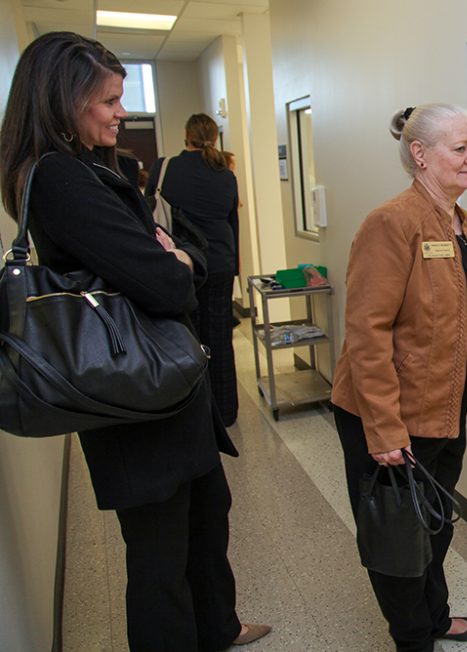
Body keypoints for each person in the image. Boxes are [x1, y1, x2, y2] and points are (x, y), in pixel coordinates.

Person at [0, 32, 269, 650]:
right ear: (63, 100)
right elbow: (165, 282)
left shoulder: (93, 168)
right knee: (158, 560)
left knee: (206, 519)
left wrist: (178, 259)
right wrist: (175, 262)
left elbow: (179, 256)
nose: (122, 112)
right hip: (134, 398)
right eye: (109, 100)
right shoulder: (60, 179)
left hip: (166, 388)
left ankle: (219, 629)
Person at [330, 103, 467, 652]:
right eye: (461, 148)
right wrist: (383, 429)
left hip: (444, 409)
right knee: (398, 539)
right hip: (390, 418)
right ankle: (414, 639)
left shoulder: (463, 223)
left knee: (436, 523)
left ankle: (434, 618)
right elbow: (366, 332)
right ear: (420, 154)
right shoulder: (392, 222)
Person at [146, 114, 241, 426]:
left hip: (182, 264)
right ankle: (226, 413)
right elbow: (231, 223)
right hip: (221, 263)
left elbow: (148, 215)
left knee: (187, 336)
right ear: (214, 136)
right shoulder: (226, 174)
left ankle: (195, 414)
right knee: (220, 338)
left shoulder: (166, 168)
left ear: (186, 135)